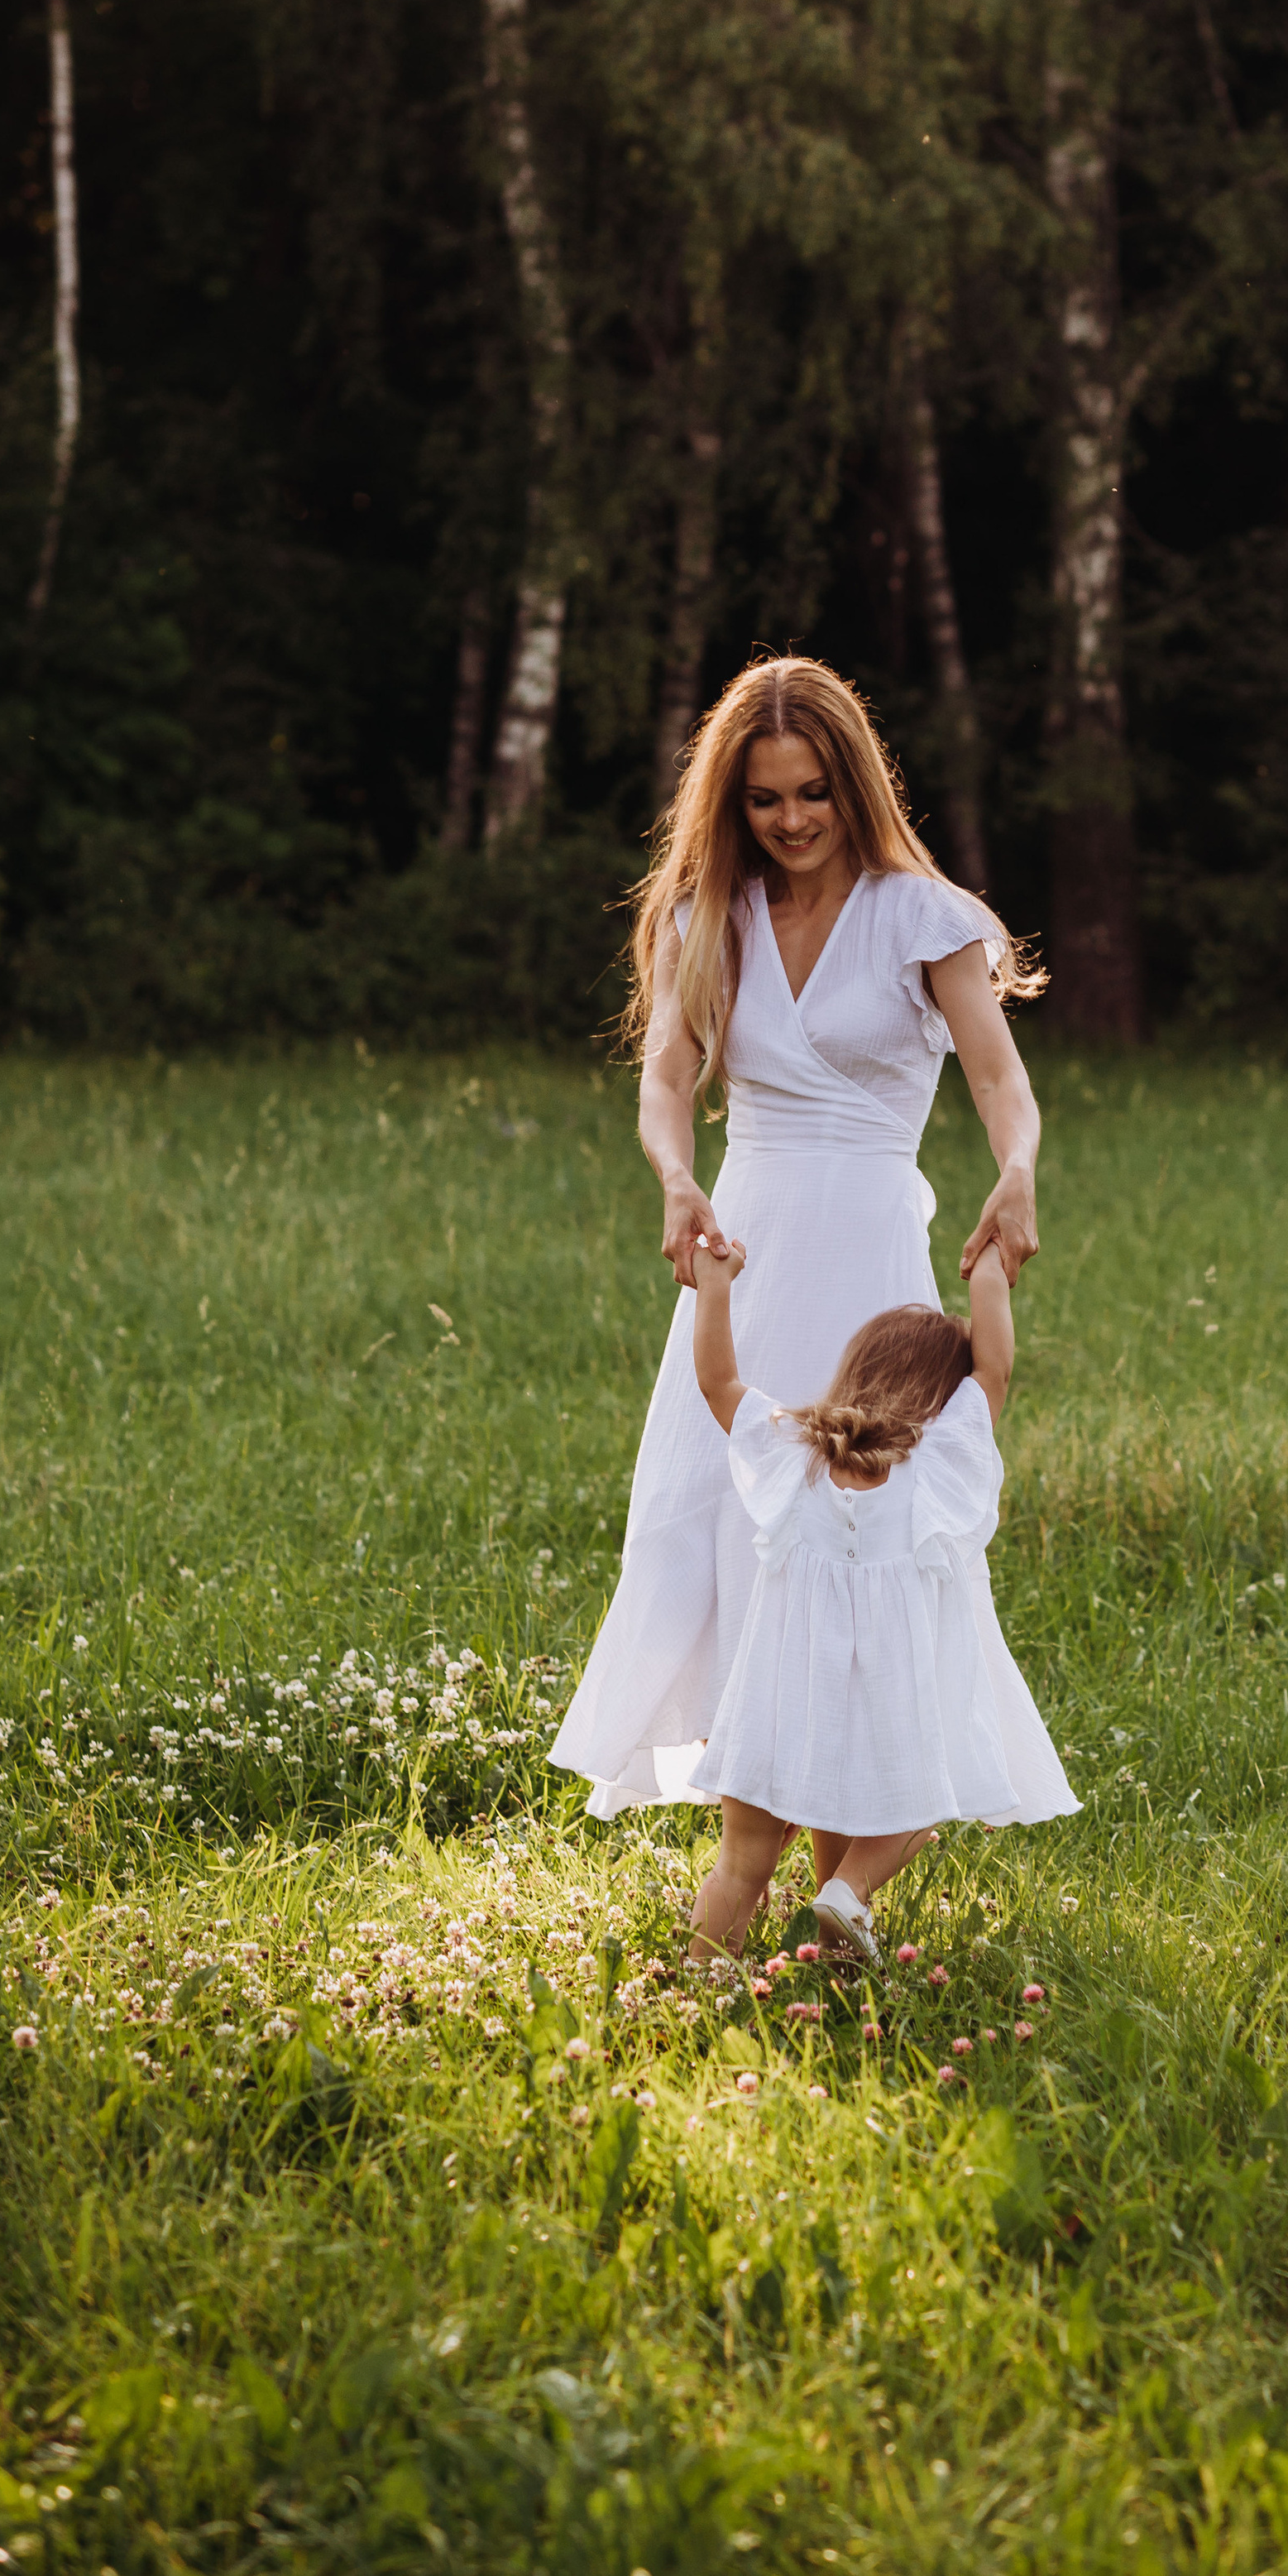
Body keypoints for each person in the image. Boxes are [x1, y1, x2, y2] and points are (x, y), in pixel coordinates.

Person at [547, 654, 1051, 1888]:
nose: (792, 819)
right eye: (766, 798)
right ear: (735, 802)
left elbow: (996, 1078)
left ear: (854, 783)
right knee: (731, 1507)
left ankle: (844, 1863)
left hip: (873, 1236)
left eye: (813, 791)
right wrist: (678, 1180)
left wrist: (1018, 1165)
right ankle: (748, 1839)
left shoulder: (922, 914)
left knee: (861, 1522)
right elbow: (668, 1081)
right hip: (752, 1235)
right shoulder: (704, 917)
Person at [680, 1234, 1075, 1967]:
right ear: (942, 1394)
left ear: (857, 1370)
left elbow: (716, 1382)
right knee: (919, 1804)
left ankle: (694, 1995)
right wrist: (990, 1265)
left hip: (776, 1706)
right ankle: (848, 1893)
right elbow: (995, 1367)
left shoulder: (793, 1452)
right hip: (884, 1715)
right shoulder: (940, 1464)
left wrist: (715, 1284)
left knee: (740, 1869)